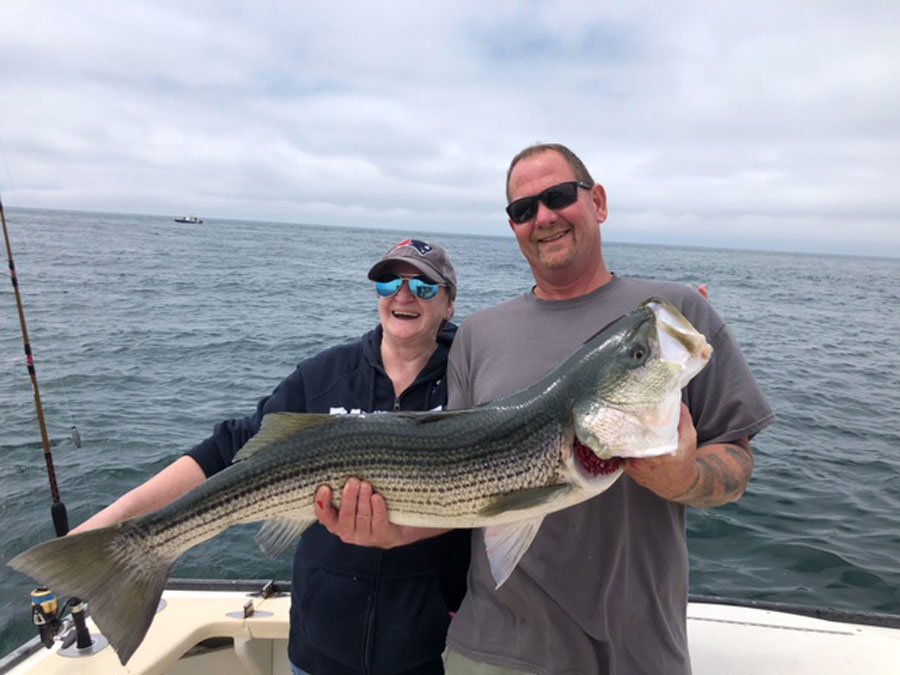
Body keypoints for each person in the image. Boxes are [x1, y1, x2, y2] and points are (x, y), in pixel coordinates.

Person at [437, 143, 777, 674]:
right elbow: (452, 475)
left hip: (639, 653)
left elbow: (736, 460)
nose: (543, 217)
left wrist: (682, 477)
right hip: (495, 649)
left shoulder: (673, 315)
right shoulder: (478, 335)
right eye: (523, 210)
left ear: (597, 201)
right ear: (513, 227)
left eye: (557, 197)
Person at [73, 238, 471, 675]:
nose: (403, 295)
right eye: (388, 282)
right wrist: (109, 523)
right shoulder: (324, 375)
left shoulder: (471, 381)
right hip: (318, 650)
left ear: (449, 305)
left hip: (430, 653)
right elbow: (228, 449)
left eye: (426, 287)